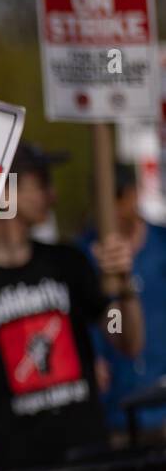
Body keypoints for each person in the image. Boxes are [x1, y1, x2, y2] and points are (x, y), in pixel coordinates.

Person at [0, 141, 144, 471]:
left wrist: (124, 289)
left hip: (91, 457)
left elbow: (124, 338)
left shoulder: (68, 262)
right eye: (41, 185)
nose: (53, 196)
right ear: (5, 194)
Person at [77, 164, 166, 439]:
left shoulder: (162, 243)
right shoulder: (82, 254)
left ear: (132, 195)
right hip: (115, 410)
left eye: (116, 197)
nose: (109, 209)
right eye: (100, 199)